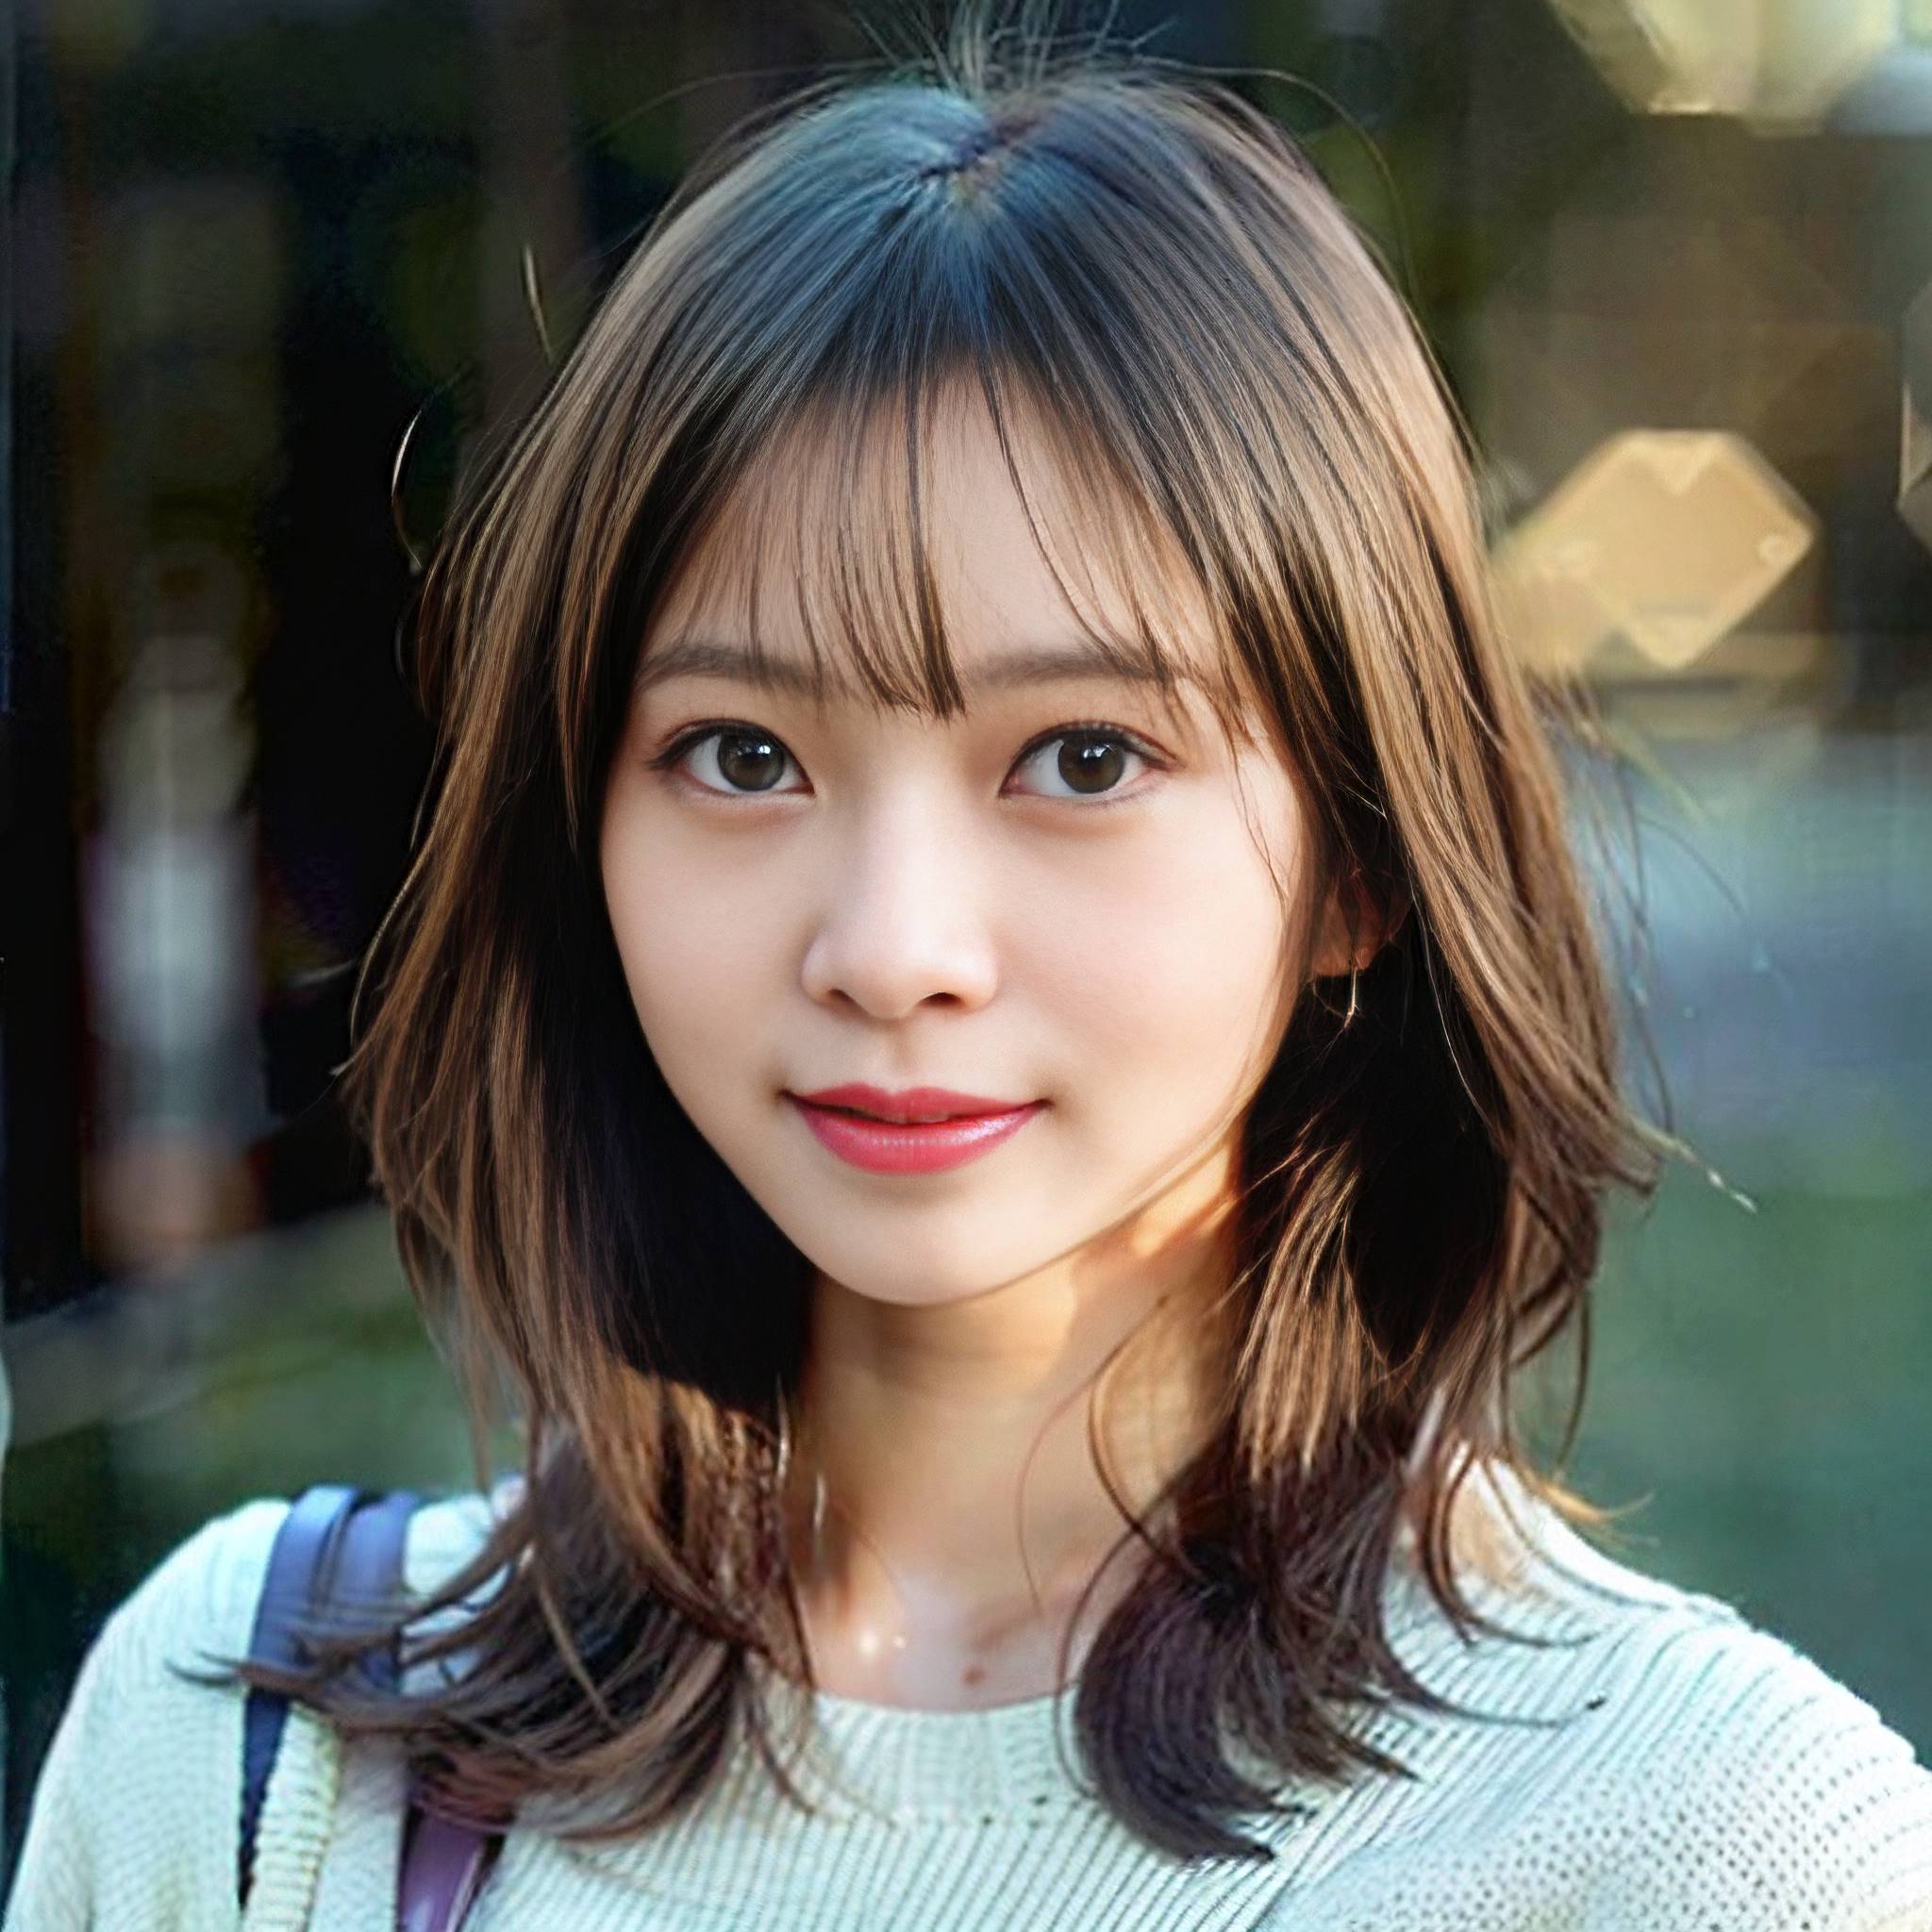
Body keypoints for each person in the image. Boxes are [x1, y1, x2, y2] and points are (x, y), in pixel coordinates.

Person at [9, 7, 1932, 1928]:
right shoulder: (259, 1767)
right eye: (741, 756)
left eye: (1082, 758)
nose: (892, 948)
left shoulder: (1710, 1848)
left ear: (1360, 856)